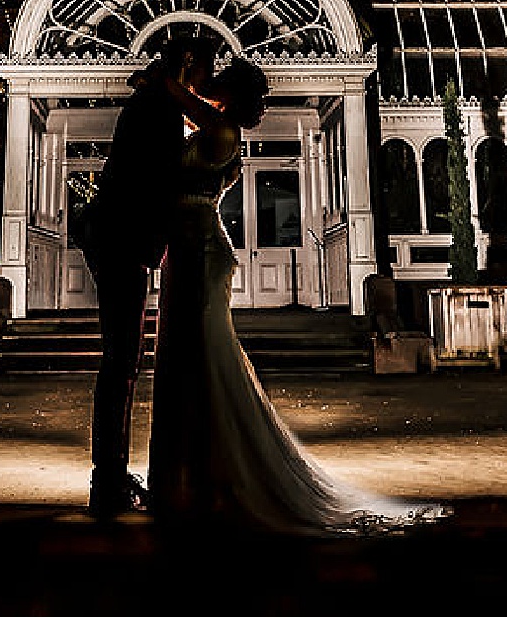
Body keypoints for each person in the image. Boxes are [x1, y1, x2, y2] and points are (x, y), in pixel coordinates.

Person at [146, 57, 450, 535]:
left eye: (222, 79)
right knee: (185, 359)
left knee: (201, 360)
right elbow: (180, 114)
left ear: (229, 93)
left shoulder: (221, 129)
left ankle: (210, 478)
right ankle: (189, 477)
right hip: (187, 250)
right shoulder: (214, 126)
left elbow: (174, 96)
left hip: (201, 253)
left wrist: (176, 73)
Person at [75, 34, 218, 519]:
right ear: (190, 62)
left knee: (123, 359)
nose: (209, 80)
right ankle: (107, 480)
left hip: (118, 234)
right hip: (122, 237)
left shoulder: (155, 99)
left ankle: (111, 474)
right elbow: (154, 178)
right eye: (207, 68)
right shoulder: (156, 107)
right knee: (121, 360)